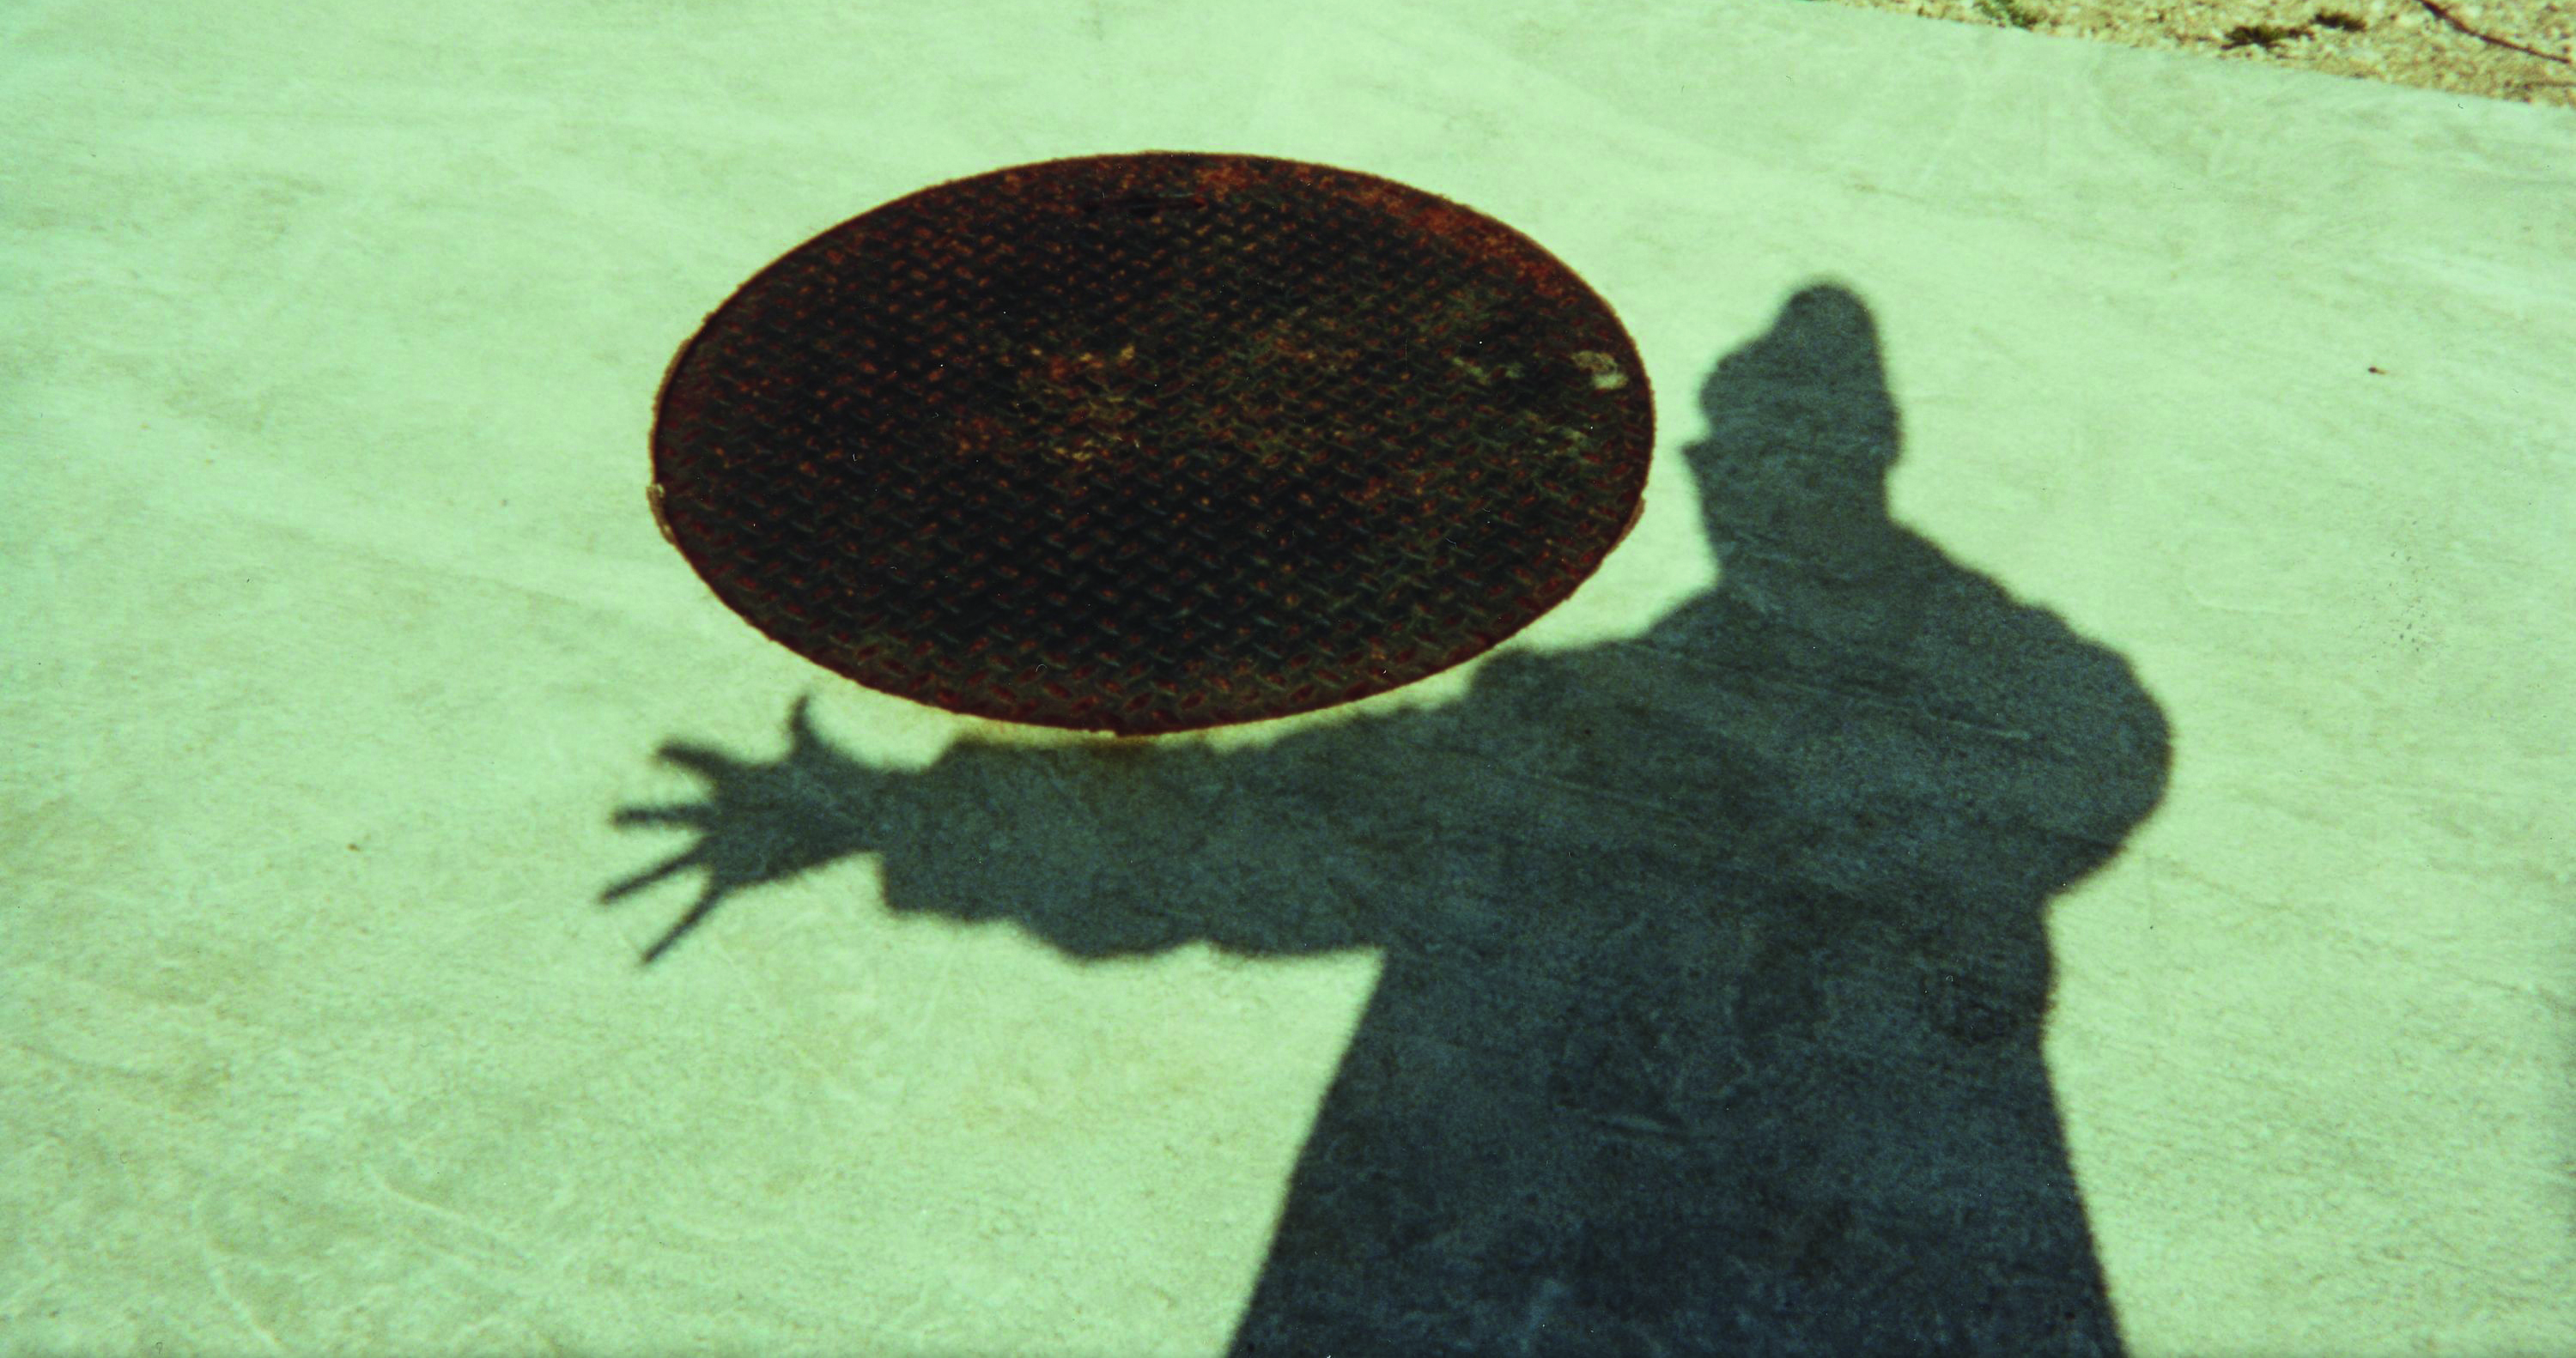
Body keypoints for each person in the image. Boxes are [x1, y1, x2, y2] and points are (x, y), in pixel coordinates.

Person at [608, 282, 2172, 1355]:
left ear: (1870, 467)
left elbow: (2078, 777)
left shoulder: (2029, 709)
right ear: (1701, 473)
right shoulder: (1578, 720)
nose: (1765, 492)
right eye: (1744, 453)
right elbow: (1255, 834)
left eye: (1801, 454)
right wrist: (900, 818)